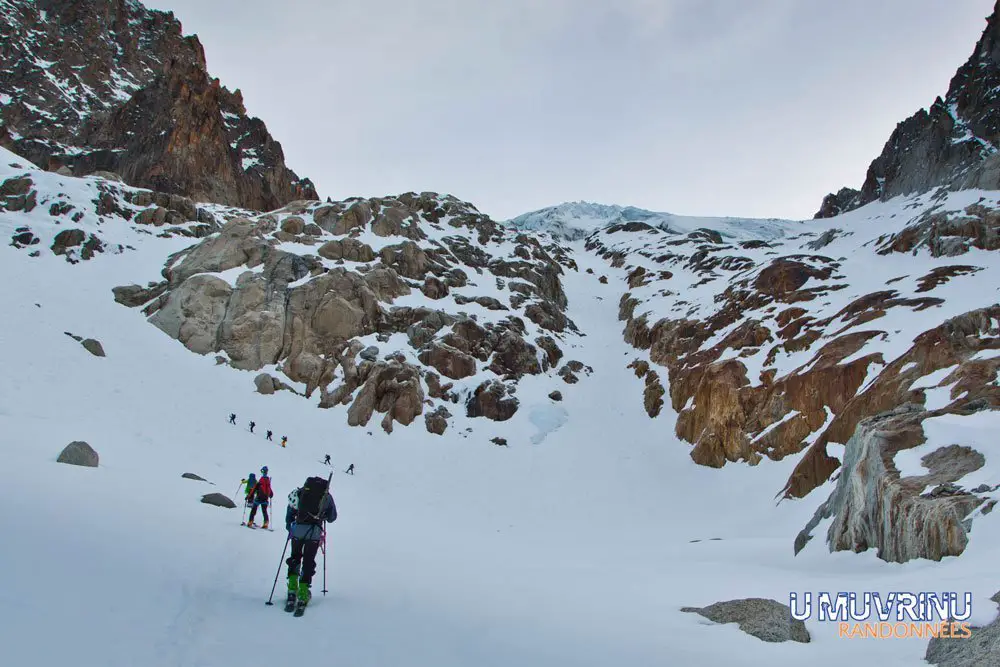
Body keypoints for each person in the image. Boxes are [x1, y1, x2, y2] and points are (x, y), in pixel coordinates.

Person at [284, 476, 337, 611]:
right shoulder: (326, 496)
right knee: (308, 561)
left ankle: (291, 590)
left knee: (295, 557)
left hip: (297, 530)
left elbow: (290, 511)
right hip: (314, 532)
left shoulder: (300, 492)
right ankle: (303, 593)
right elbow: (332, 518)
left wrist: (290, 527)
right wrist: (322, 515)